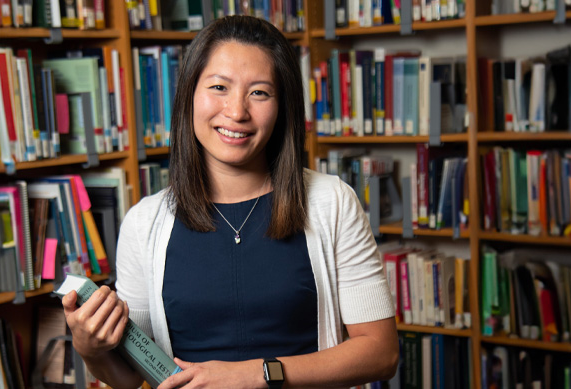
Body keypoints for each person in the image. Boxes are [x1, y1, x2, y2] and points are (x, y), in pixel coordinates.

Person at [62, 15, 399, 389]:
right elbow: (128, 377)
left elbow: (381, 353)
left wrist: (257, 374)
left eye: (259, 92)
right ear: (189, 93)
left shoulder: (333, 202)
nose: (237, 111)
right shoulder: (144, 224)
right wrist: (90, 347)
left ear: (282, 106)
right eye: (219, 87)